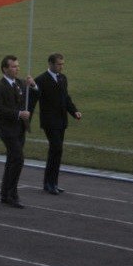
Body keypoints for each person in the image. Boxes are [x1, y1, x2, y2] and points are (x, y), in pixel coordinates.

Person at [30, 52, 82, 194]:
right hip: (49, 121)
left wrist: (74, 111)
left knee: (57, 152)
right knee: (56, 149)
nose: (61, 67)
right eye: (59, 64)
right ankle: (49, 183)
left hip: (61, 120)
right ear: (51, 64)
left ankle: (52, 182)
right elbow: (35, 93)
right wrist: (33, 87)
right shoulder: (41, 79)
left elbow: (66, 97)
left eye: (62, 64)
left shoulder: (62, 78)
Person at [0, 55, 36, 208]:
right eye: (14, 66)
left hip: (20, 128)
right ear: (5, 69)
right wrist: (18, 114)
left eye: (18, 66)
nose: (17, 69)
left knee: (11, 161)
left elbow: (33, 97)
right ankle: (12, 194)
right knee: (18, 159)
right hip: (7, 130)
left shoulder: (21, 83)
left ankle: (5, 194)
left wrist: (33, 86)